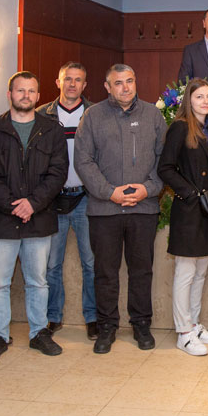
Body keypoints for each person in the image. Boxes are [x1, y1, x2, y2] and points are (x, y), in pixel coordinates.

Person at [75, 64, 166, 354]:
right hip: (105, 210)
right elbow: (83, 160)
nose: (125, 87)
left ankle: (141, 324)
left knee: (142, 271)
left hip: (143, 208)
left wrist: (148, 189)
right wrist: (109, 193)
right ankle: (106, 326)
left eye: (129, 81)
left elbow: (164, 160)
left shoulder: (153, 115)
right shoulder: (92, 116)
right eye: (118, 83)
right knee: (105, 272)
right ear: (107, 87)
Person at [0, 71, 68, 364]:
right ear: (9, 94)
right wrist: (14, 205)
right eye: (20, 90)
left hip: (39, 218)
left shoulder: (51, 129)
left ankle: (39, 332)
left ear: (38, 96)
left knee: (38, 281)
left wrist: (33, 203)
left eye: (31, 91)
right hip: (0, 219)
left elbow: (58, 173)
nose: (26, 96)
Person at [157, 79, 208, 356]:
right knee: (185, 273)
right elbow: (165, 168)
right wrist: (190, 193)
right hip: (189, 209)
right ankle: (183, 332)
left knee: (200, 272)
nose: (205, 101)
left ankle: (194, 324)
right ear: (189, 99)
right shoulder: (179, 127)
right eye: (199, 97)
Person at [36, 62, 97, 339]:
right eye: (67, 79)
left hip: (85, 197)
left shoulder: (94, 114)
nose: (72, 84)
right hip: (53, 200)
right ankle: (53, 317)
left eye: (78, 80)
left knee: (91, 263)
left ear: (85, 85)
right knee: (52, 265)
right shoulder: (41, 115)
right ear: (58, 82)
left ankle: (93, 318)